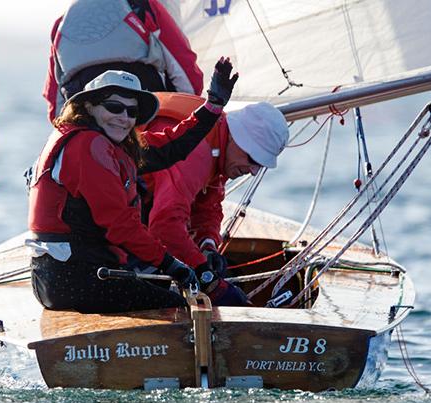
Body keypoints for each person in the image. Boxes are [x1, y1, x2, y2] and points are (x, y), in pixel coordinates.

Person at [27, 58, 237, 313]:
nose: (124, 118)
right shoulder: (88, 147)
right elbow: (121, 227)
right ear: (89, 107)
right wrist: (174, 266)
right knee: (179, 309)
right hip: (75, 280)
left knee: (166, 293)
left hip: (64, 277)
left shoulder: (109, 144)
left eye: (132, 111)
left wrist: (212, 106)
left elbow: (170, 146)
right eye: (114, 107)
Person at [140, 95, 290, 307]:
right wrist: (210, 282)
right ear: (236, 139)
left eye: (260, 165)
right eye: (253, 159)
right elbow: (165, 225)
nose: (254, 171)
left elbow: (208, 207)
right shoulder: (197, 153)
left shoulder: (221, 145)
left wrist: (207, 245)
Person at [43, 0, 203, 121]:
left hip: (83, 116)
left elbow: (55, 105)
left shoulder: (62, 24)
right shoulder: (144, 6)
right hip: (139, 114)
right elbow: (187, 75)